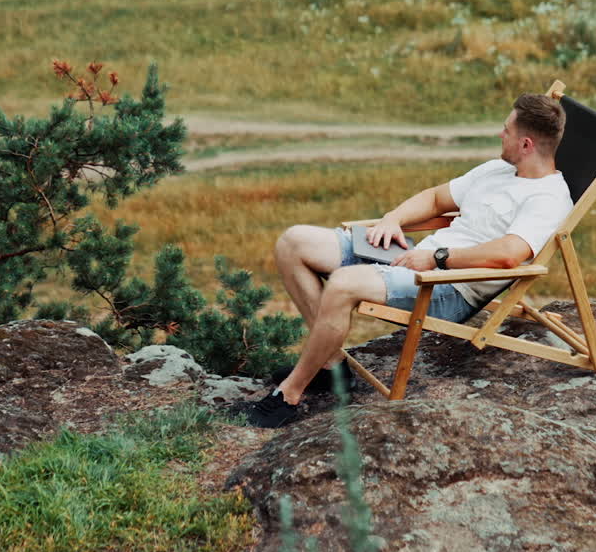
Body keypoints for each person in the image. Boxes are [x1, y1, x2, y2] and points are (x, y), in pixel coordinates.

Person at [244, 94, 573, 428]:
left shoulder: (548, 199)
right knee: (293, 242)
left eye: (506, 130)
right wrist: (393, 219)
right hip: (418, 259)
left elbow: (509, 255)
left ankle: (290, 394)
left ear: (526, 143)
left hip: (447, 287)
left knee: (343, 285)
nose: (499, 135)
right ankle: (330, 367)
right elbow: (435, 198)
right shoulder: (498, 170)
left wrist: (437, 258)